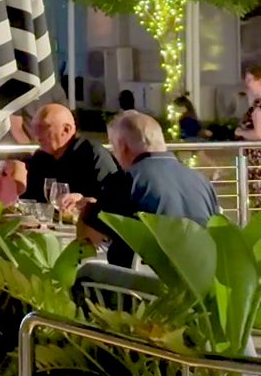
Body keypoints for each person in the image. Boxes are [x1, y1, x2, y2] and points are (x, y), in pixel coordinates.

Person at [74, 110, 220, 267]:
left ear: (122, 147)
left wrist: (87, 209)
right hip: (200, 273)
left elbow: (94, 230)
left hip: (143, 277)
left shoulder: (127, 180)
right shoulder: (201, 180)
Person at [19, 104, 118, 206]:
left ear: (66, 129)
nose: (37, 135)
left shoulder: (92, 154)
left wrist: (83, 201)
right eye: (34, 127)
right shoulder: (40, 158)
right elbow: (31, 199)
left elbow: (114, 198)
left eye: (44, 127)